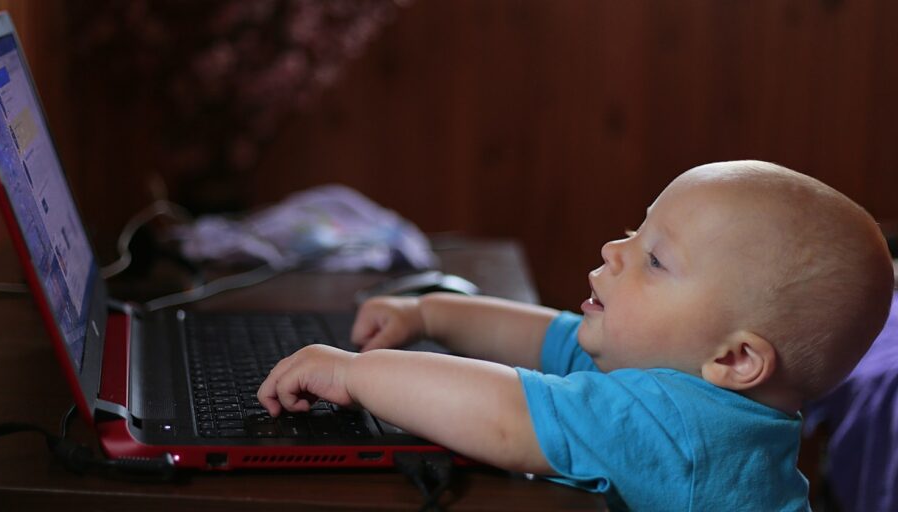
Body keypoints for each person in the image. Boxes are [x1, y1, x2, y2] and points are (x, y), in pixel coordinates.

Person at [257, 160, 895, 511]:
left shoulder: (684, 428)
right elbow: (550, 338)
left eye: (655, 259)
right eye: (636, 230)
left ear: (734, 357)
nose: (615, 250)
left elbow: (508, 418)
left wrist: (354, 374)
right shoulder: (667, 365)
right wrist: (431, 316)